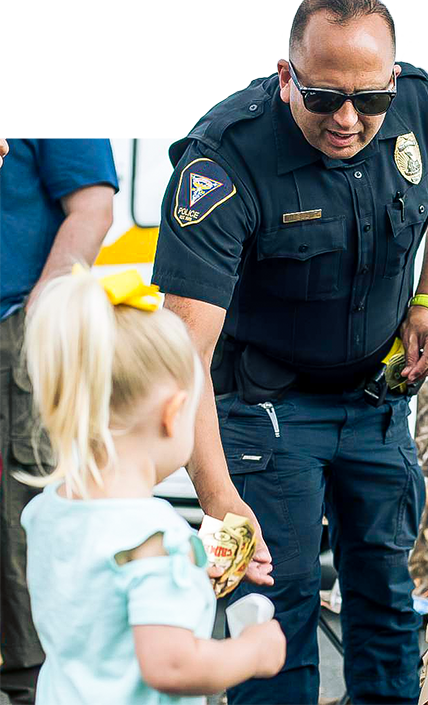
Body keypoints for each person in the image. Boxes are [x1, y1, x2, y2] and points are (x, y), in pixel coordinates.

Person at [151, 0, 428, 704]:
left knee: (389, 601)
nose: (346, 119)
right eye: (322, 96)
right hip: (260, 412)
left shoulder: (422, 110)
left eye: (368, 101)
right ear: (285, 75)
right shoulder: (221, 161)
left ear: (393, 82)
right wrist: (218, 499)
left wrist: (427, 300)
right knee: (276, 611)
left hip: (376, 402)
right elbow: (181, 358)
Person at [19, 267, 287, 704]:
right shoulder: (156, 536)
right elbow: (171, 664)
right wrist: (252, 653)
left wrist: (195, 568)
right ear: (174, 413)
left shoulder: (49, 508)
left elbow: (102, 596)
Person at [0, 137, 118, 705]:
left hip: (14, 326)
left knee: (23, 520)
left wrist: (37, 324)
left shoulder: (44, 66)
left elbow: (93, 204)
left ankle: (31, 688)